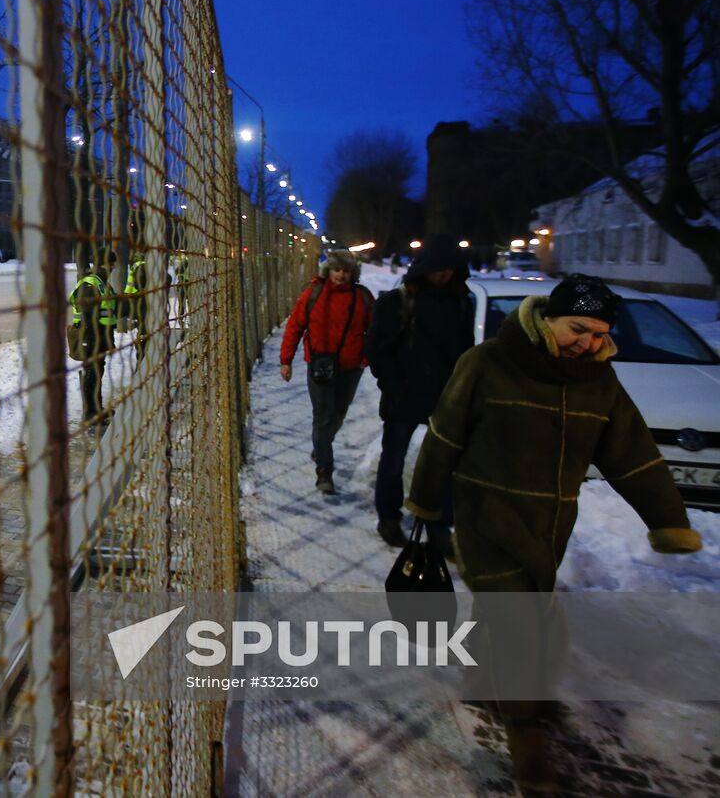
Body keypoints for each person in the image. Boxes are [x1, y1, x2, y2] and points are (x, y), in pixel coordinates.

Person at [406, 274, 701, 789]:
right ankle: (527, 734)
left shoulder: (598, 381)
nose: (587, 342)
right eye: (578, 328)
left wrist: (669, 521)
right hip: (486, 515)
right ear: (546, 319)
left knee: (514, 608)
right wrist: (426, 501)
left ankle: (483, 684)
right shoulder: (486, 364)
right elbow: (444, 435)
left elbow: (634, 456)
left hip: (549, 527)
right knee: (523, 621)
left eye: (598, 333)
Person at [365, 234, 474, 549]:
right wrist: (393, 384)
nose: (445, 274)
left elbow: (466, 349)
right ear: (424, 268)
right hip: (405, 395)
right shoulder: (399, 301)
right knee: (394, 459)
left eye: (450, 268)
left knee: (445, 463)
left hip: (445, 397)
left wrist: (463, 387)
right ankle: (389, 517)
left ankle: (439, 523)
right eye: (438, 268)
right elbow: (376, 349)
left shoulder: (460, 302)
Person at [279, 249, 373, 494]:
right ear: (328, 270)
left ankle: (321, 446)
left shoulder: (362, 297)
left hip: (351, 368)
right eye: (336, 269)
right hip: (320, 366)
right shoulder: (314, 294)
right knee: (322, 416)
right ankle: (324, 471)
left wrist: (365, 358)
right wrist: (286, 360)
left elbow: (374, 331)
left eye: (346, 270)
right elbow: (295, 326)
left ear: (353, 273)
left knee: (338, 414)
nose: (341, 275)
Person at [69, 248, 118, 427]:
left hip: (99, 338)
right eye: (112, 264)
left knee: (97, 373)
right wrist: (90, 341)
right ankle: (90, 413)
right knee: (91, 373)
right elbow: (87, 316)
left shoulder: (101, 283)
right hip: (91, 339)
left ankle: (96, 409)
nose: (113, 267)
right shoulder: (91, 284)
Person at [123, 250, 150, 360]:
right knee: (143, 327)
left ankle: (141, 352)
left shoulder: (136, 266)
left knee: (142, 326)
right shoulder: (141, 266)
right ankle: (141, 353)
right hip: (141, 302)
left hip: (136, 301)